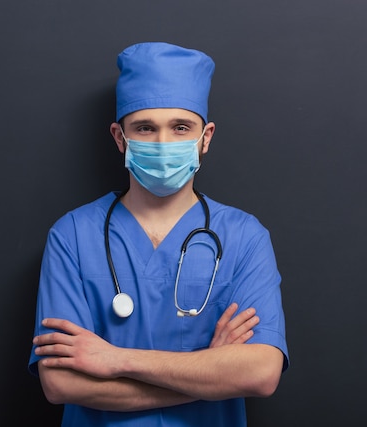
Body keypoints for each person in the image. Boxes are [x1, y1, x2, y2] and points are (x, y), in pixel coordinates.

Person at [29, 41, 289, 427]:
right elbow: (60, 383)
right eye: (145, 128)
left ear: (206, 137)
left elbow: (260, 373)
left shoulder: (244, 236)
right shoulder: (72, 235)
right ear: (120, 138)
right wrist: (209, 373)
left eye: (181, 127)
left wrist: (116, 358)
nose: (164, 144)